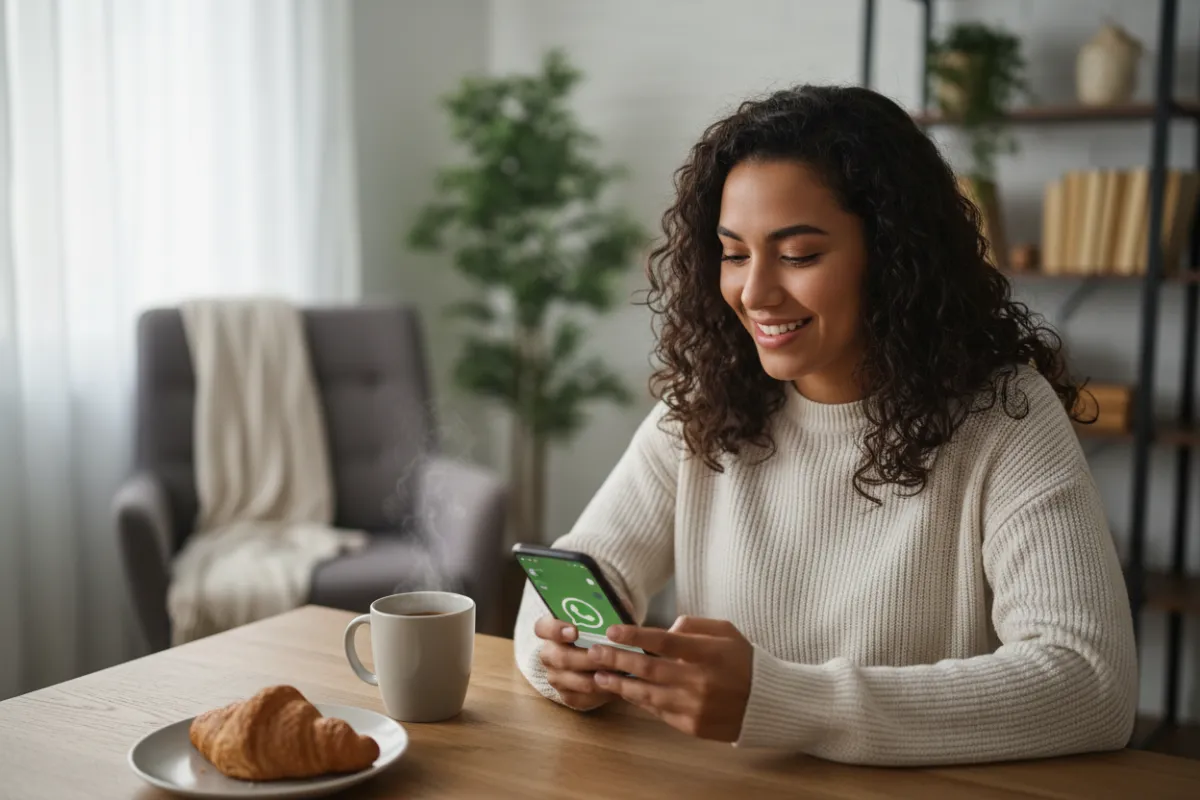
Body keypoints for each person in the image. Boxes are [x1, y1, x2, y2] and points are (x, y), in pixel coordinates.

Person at [513, 84, 1137, 766]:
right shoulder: (706, 402)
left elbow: (1090, 683)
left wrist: (785, 702)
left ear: (895, 256)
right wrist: (560, 657)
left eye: (799, 254)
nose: (754, 293)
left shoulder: (1003, 416)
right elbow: (579, 569)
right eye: (734, 253)